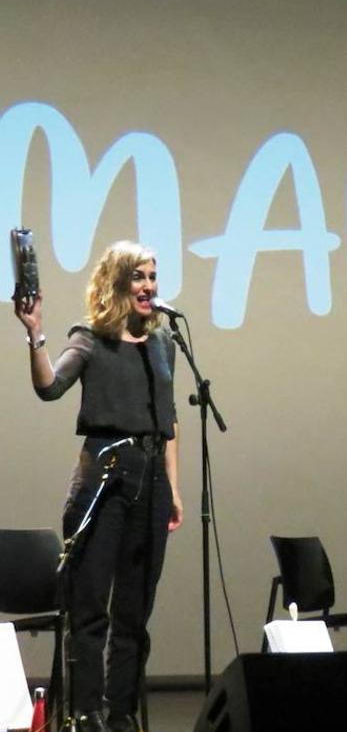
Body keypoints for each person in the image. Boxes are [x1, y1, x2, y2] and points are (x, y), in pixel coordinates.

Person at [14, 240, 183, 732]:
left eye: (152, 276)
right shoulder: (89, 339)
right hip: (104, 478)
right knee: (90, 610)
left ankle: (122, 713)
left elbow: (168, 422)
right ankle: (86, 714)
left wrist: (172, 488)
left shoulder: (164, 344)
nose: (149, 286)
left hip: (150, 481)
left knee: (134, 612)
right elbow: (49, 387)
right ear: (116, 284)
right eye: (138, 277)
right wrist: (35, 335)